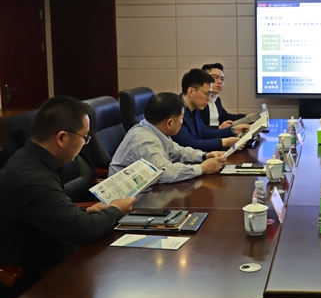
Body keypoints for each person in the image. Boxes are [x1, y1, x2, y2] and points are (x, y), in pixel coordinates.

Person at [0, 96, 135, 278]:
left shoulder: (33, 159)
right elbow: (85, 231)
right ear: (62, 137)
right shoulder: (31, 178)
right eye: (84, 137)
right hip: (36, 277)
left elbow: (48, 211)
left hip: (56, 251)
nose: (85, 143)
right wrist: (116, 209)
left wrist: (85, 212)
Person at [109, 92, 226, 183]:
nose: (182, 122)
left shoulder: (155, 129)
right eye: (182, 118)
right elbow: (165, 173)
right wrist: (202, 168)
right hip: (129, 199)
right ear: (169, 123)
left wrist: (204, 156)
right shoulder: (145, 140)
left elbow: (178, 152)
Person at [171, 69, 250, 151]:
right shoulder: (174, 110)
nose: (209, 98)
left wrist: (233, 130)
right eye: (207, 93)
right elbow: (188, 143)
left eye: (211, 94)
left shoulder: (194, 109)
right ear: (191, 91)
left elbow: (203, 133)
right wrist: (223, 142)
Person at [200, 63, 249, 129]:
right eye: (215, 77)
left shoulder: (216, 99)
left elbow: (225, 117)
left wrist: (246, 117)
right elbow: (197, 128)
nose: (220, 82)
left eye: (222, 79)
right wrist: (218, 128)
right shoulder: (198, 100)